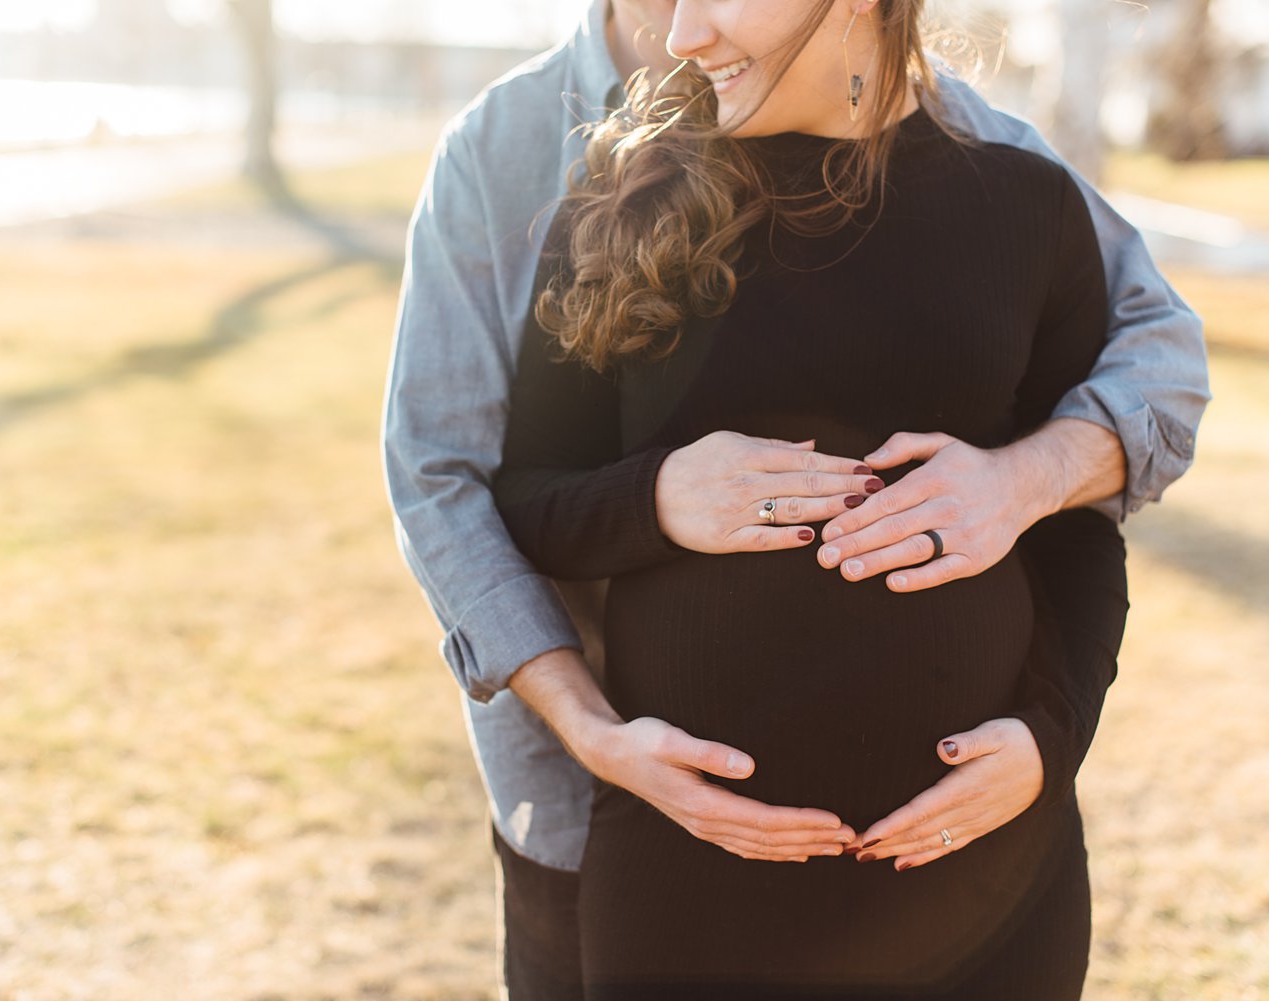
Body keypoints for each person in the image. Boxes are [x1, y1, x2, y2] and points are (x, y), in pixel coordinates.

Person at [380, 0, 1209, 997]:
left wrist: (1051, 731)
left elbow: (1101, 474)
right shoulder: (600, 185)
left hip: (985, 887)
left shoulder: (1020, 189)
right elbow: (470, 484)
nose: (685, 33)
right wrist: (657, 498)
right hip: (667, 870)